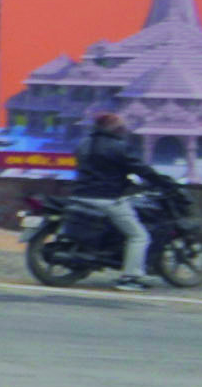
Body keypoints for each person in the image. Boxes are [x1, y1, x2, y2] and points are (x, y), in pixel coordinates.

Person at [67, 112, 175, 284]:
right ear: (117, 129)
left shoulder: (83, 143)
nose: (125, 130)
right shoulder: (119, 147)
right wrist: (163, 181)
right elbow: (141, 169)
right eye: (122, 127)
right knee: (139, 236)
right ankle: (131, 277)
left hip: (80, 195)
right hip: (107, 198)